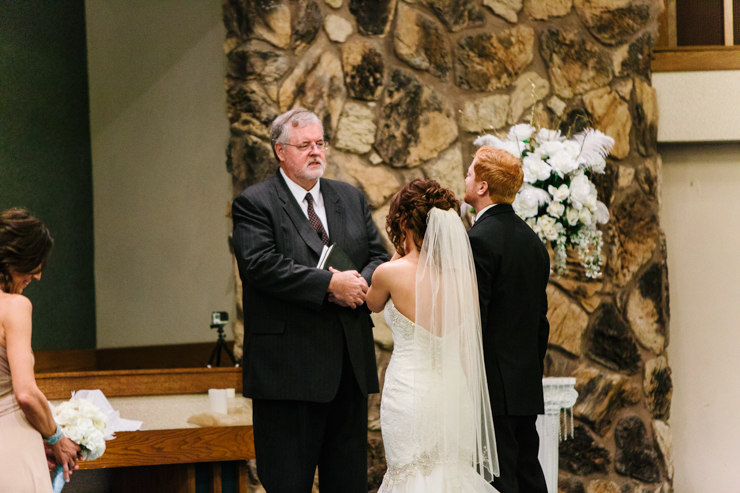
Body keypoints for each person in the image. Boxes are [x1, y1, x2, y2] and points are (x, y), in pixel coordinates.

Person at [231, 108, 389, 492]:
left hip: (347, 369)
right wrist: (328, 286)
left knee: (349, 484)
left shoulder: (349, 197)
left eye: (320, 143)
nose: (316, 152)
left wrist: (359, 284)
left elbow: (379, 256)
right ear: (280, 151)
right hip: (288, 371)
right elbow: (260, 266)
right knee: (288, 484)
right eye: (305, 145)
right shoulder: (255, 202)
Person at [366, 179, 499, 493]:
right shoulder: (464, 274)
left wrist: (398, 254)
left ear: (403, 222)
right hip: (456, 393)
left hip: (410, 393)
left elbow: (372, 303)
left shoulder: (389, 273)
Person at [464, 147, 550, 493]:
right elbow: (539, 321)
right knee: (528, 475)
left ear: (483, 187)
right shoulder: (533, 242)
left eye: (470, 173)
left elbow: (475, 321)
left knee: (498, 481)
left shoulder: (479, 240)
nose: (466, 179)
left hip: (492, 389)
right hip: (525, 384)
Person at [0, 208, 81, 492]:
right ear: (15, 258)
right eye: (35, 264)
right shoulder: (13, 307)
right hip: (10, 447)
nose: (37, 276)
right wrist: (55, 438)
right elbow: (26, 394)